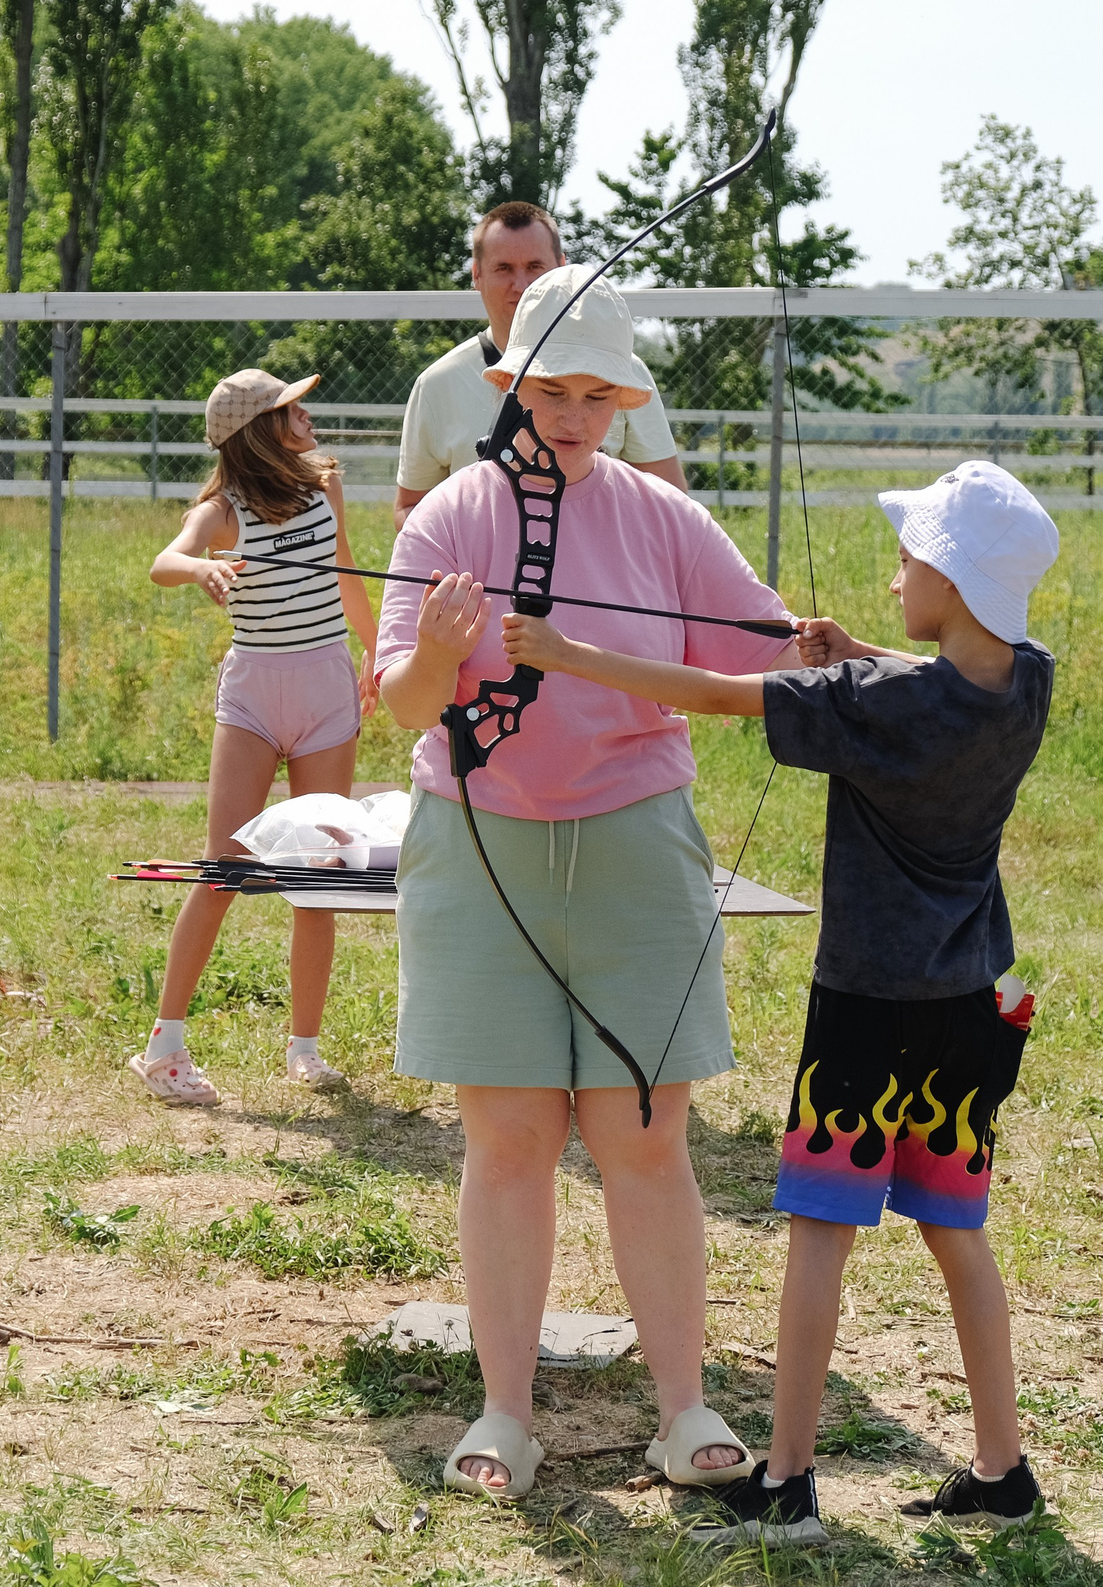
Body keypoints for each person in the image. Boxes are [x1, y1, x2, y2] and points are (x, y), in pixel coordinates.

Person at [497, 460, 1062, 1546]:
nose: (896, 571)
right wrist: (858, 656)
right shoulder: (1025, 678)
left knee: (819, 1235)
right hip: (971, 1008)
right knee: (956, 1231)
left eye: (909, 558)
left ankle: (789, 1481)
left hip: (865, 1014)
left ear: (947, 572)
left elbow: (711, 693)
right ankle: (1001, 1469)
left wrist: (566, 652)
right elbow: (941, 678)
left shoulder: (876, 705)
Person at [376, 265, 796, 1500]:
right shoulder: (446, 517)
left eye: (594, 397)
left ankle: (684, 1409)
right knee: (506, 1136)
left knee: (643, 1134)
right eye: (547, 392)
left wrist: (857, 662)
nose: (569, 417)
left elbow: (759, 646)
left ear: (622, 403)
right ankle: (505, 1410)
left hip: (634, 839)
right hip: (479, 841)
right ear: (507, 388)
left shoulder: (664, 518)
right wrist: (444, 652)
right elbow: (399, 697)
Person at [137, 369, 380, 1107]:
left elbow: (345, 577)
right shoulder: (224, 509)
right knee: (222, 872)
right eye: (288, 408)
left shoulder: (325, 485)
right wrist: (202, 567)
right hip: (253, 700)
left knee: (320, 877)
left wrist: (378, 653)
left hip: (326, 697)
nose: (304, 414)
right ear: (257, 434)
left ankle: (304, 1051)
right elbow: (164, 561)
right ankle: (163, 1048)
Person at [391, 202, 684, 534]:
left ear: (562, 267)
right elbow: (409, 506)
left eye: (535, 266)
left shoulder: (622, 372)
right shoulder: (436, 384)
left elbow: (671, 504)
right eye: (503, 268)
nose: (521, 284)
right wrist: (460, 557)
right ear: (476, 274)